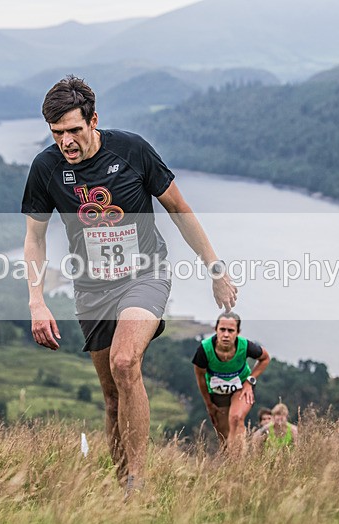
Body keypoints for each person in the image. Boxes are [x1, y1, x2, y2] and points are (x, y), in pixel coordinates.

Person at [22, 75, 237, 492]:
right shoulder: (46, 169)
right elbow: (33, 238)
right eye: (56, 133)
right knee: (111, 396)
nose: (65, 142)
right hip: (91, 289)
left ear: (93, 120)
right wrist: (36, 301)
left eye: (73, 131)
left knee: (125, 362)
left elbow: (179, 208)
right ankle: (122, 486)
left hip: (145, 274)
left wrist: (215, 269)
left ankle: (136, 483)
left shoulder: (133, 150)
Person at [193, 312, 270, 452]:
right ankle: (231, 466)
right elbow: (200, 378)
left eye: (231, 330)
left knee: (236, 418)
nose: (226, 335)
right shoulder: (204, 350)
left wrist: (249, 382)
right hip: (216, 393)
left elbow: (265, 359)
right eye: (222, 330)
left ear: (238, 332)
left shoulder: (245, 346)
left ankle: (239, 465)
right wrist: (208, 404)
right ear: (215, 330)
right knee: (224, 437)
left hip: (241, 387)